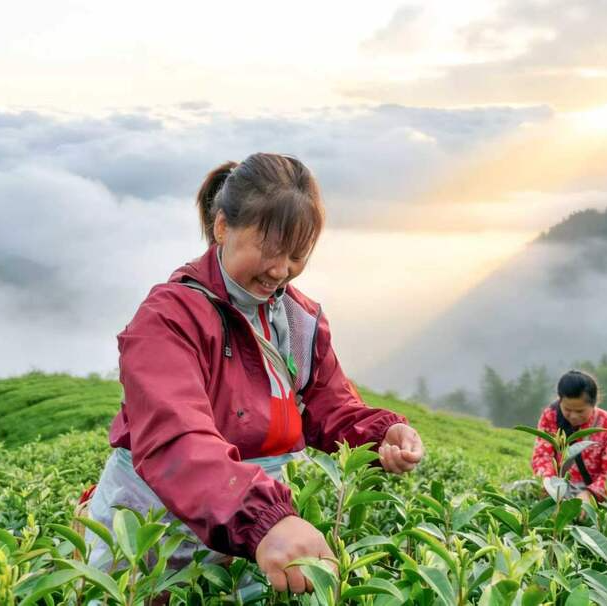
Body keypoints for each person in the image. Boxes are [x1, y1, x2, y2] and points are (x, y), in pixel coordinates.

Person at [83, 152, 424, 595]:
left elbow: (330, 405)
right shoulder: (168, 318)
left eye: (297, 256)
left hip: (253, 533)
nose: (280, 271)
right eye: (269, 250)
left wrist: (380, 433)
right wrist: (263, 518)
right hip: (158, 528)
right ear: (222, 226)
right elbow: (176, 439)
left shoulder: (298, 320)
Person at [531, 369, 607, 503]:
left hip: (592, 496)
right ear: (560, 401)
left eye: (580, 411)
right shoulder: (551, 416)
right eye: (567, 410)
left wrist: (590, 495)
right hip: (557, 489)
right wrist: (549, 485)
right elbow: (542, 456)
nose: (573, 416)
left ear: (594, 403)